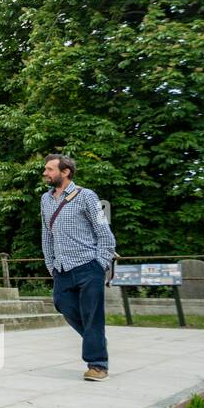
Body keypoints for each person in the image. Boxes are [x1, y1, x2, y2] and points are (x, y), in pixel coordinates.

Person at [40, 155, 116, 381]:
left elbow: (104, 233)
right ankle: (97, 340)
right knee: (61, 303)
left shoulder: (87, 196)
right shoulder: (45, 200)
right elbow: (46, 234)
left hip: (88, 266)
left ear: (65, 172)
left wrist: (100, 263)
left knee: (92, 315)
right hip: (61, 268)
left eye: (49, 169)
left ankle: (98, 366)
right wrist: (50, 264)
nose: (45, 173)